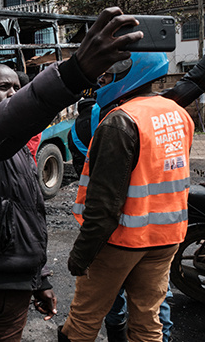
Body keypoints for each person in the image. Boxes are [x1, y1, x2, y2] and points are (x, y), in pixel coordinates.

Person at [0, 7, 143, 341]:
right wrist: (72, 74)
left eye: (18, 86)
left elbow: (25, 212)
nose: (13, 94)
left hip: (16, 277)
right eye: (3, 88)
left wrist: (40, 279)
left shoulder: (11, 141)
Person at [60, 52, 194, 342]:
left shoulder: (119, 121)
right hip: (167, 237)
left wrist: (81, 255)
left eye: (107, 76)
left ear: (129, 73)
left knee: (84, 320)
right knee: (148, 320)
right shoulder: (178, 113)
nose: (102, 81)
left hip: (121, 240)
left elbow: (104, 203)